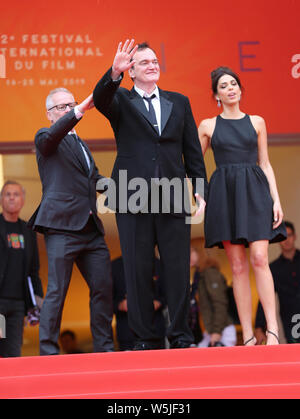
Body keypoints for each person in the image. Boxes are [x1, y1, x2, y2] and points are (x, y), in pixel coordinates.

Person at [93, 40, 207, 350]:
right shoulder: (119, 99)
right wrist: (113, 72)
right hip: (132, 196)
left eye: (155, 61)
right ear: (131, 71)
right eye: (144, 62)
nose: (152, 65)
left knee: (177, 269)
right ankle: (144, 338)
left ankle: (182, 336)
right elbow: (99, 98)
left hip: (172, 196)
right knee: (137, 269)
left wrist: (200, 189)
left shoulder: (179, 102)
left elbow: (192, 151)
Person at [198, 67, 286, 346]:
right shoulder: (208, 126)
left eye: (234, 84)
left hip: (256, 191)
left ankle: (272, 330)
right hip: (225, 194)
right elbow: (194, 164)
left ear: (240, 89)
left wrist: (277, 199)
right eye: (224, 86)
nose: (231, 89)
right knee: (237, 267)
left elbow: (265, 163)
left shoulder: (258, 122)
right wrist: (200, 195)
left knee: (260, 258)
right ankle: (247, 335)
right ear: (216, 95)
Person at [28, 88, 114, 355]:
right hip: (61, 227)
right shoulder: (45, 135)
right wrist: (78, 111)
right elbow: (52, 137)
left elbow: (95, 179)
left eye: (71, 105)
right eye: (61, 107)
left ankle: (104, 348)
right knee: (57, 290)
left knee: (103, 288)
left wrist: (124, 188)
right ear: (49, 114)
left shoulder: (82, 144)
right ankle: (48, 352)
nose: (67, 110)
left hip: (90, 229)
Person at [0, 181, 43, 357]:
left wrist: (38, 304)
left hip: (18, 304)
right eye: (7, 194)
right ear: (1, 199)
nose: (12, 197)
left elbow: (34, 270)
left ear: (23, 200)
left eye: (16, 194)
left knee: (13, 353)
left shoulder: (28, 231)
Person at [255, 221, 300, 344]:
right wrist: (259, 327)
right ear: (278, 239)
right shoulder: (273, 269)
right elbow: (265, 296)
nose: (286, 240)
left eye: (289, 235)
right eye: (283, 236)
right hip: (290, 319)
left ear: (295, 237)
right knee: (296, 352)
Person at [112, 255, 166, 351]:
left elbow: (168, 294)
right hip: (127, 333)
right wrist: (120, 305)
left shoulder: (158, 264)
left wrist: (158, 302)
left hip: (155, 329)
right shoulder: (114, 266)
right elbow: (105, 301)